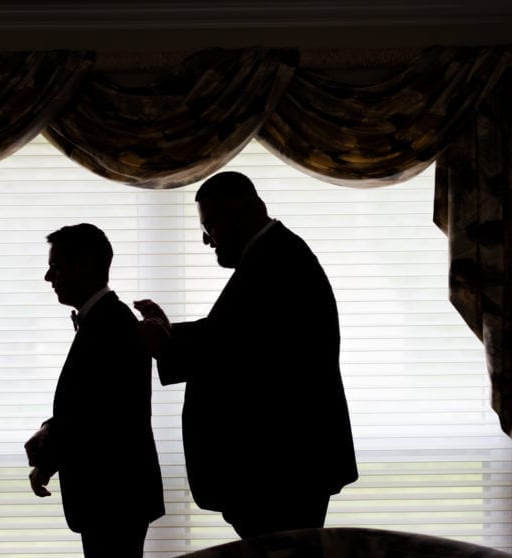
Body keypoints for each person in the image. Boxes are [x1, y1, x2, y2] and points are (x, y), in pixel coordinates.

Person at [133, 171, 357, 538]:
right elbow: (239, 336)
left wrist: (165, 343)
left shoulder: (276, 260)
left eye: (209, 225)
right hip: (283, 468)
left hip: (280, 470)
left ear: (240, 212)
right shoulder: (276, 255)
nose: (206, 240)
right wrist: (169, 334)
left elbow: (236, 348)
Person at [25, 223, 165, 558]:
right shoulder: (107, 320)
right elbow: (92, 402)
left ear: (84, 266)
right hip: (117, 494)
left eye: (55, 267)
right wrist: (50, 428)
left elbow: (97, 417)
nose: (47, 276)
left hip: (112, 495)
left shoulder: (110, 323)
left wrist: (47, 461)